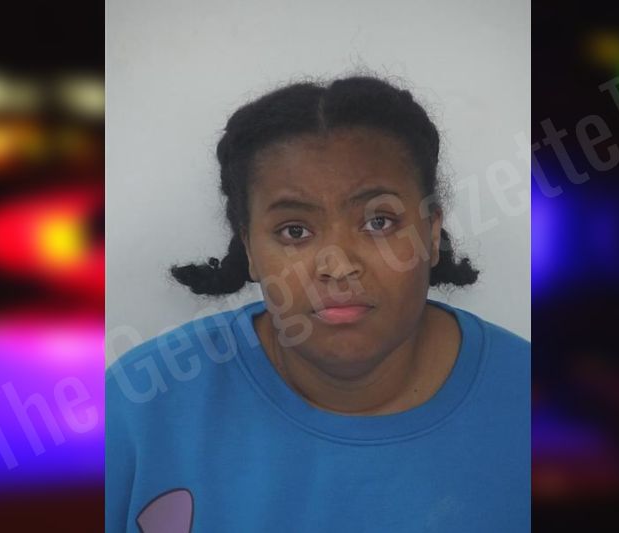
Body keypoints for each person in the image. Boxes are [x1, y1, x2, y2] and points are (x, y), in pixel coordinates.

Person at [106, 76, 530, 532]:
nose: (337, 266)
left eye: (379, 222)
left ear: (430, 232)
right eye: (295, 231)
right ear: (249, 249)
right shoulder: (138, 405)